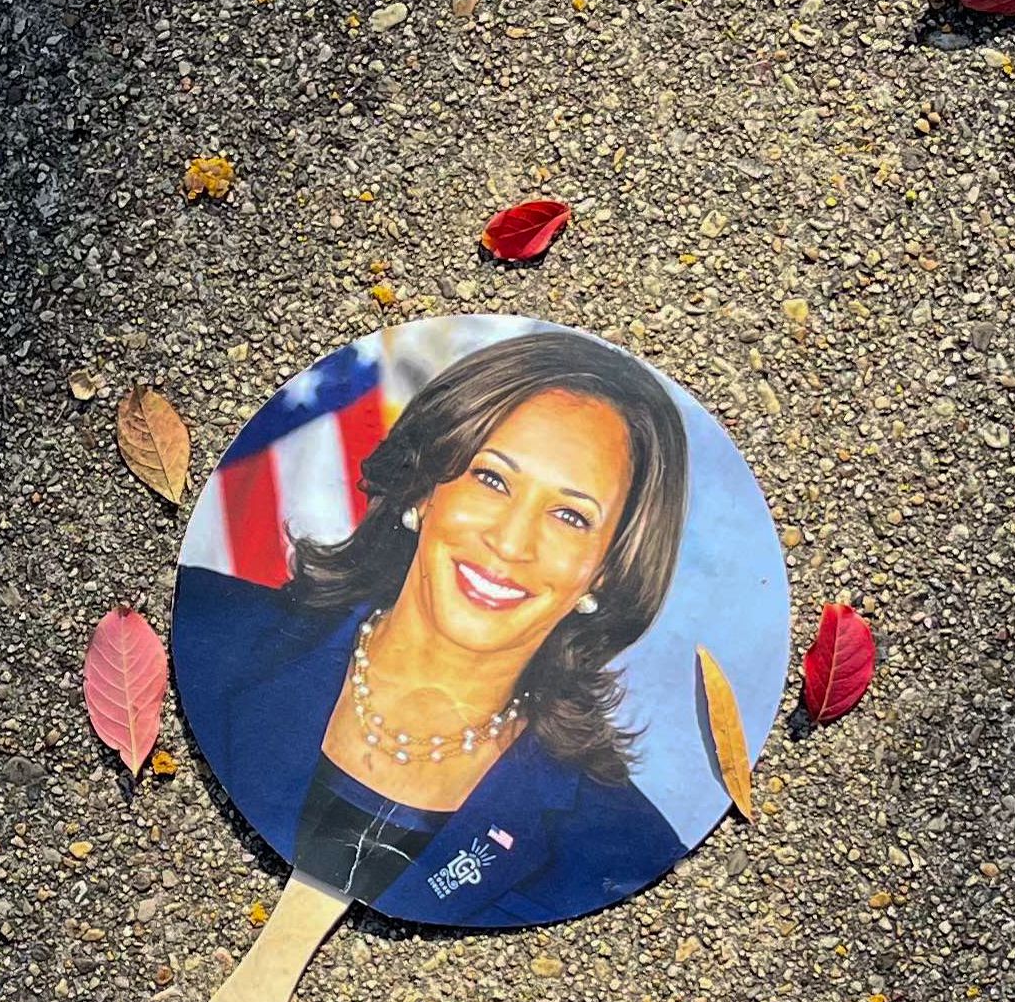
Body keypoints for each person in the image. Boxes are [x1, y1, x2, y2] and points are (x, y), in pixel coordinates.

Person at [173, 331, 691, 926]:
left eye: (570, 516)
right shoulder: (205, 629)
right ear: (423, 489)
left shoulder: (623, 849)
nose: (510, 543)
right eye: (492, 479)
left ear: (606, 571)